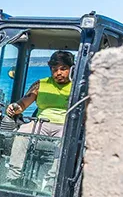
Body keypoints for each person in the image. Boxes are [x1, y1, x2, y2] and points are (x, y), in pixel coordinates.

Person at [4, 50, 74, 184]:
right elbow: (23, 103)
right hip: (41, 124)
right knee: (23, 132)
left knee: (66, 141)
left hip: (65, 126)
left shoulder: (78, 87)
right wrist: (15, 107)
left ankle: (51, 182)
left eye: (63, 69)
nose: (58, 73)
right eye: (54, 69)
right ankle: (13, 176)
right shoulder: (40, 85)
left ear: (72, 69)